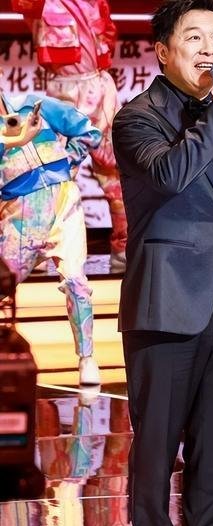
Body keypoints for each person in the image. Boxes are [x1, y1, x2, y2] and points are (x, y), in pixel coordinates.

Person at [111, 0, 213, 526]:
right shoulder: (137, 117)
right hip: (165, 301)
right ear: (163, 51)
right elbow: (170, 174)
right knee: (156, 446)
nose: (210, 48)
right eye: (195, 37)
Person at [0, 77, 102, 386]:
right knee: (3, 284)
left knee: (76, 280)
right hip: (20, 214)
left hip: (63, 203)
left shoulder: (33, 105)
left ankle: (87, 358)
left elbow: (88, 130)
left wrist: (67, 161)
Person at [15, 0, 128, 271]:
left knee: (116, 173)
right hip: (63, 96)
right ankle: (40, 248)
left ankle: (124, 248)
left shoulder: (97, 2)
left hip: (101, 87)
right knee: (51, 174)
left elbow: (108, 34)